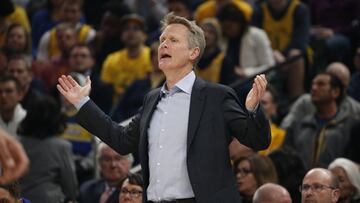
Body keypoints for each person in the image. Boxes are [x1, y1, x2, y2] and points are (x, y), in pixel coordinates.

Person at [58, 13, 270, 203]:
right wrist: (82, 102)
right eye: (162, 40)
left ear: (193, 52)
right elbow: (122, 141)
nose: (163, 45)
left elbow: (258, 140)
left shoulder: (216, 97)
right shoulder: (152, 99)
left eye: (173, 40)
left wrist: (252, 110)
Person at [285, 72, 357, 169]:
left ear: (335, 92)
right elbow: (287, 157)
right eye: (313, 84)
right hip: (302, 182)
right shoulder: (298, 125)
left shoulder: (351, 126)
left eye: (321, 84)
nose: (314, 88)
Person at [18, 96, 78, 203]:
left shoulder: (16, 144)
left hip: (19, 199)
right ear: (56, 118)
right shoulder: (62, 147)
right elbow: (70, 185)